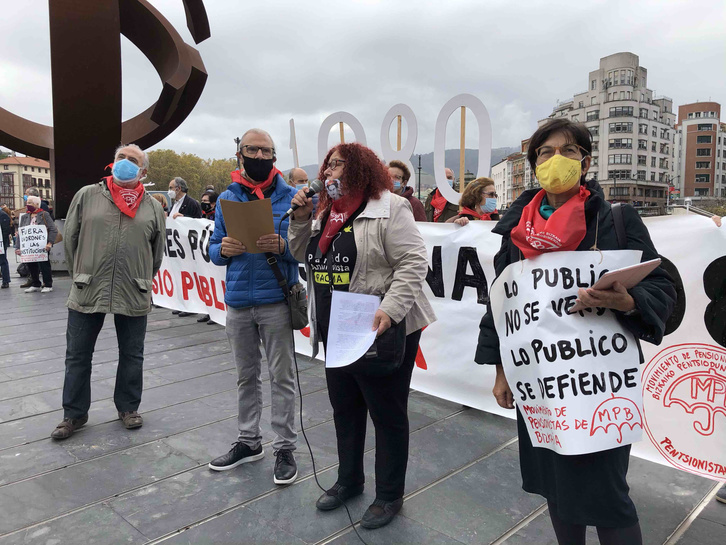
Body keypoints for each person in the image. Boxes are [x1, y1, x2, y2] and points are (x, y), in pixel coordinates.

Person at [476, 119, 676, 545]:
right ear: (534, 165)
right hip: (540, 382)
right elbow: (500, 304)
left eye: (568, 151)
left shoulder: (616, 220)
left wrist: (626, 301)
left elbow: (661, 286)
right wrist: (500, 371)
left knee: (607, 494)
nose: (556, 161)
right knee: (555, 485)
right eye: (545, 153)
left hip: (598, 382)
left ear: (585, 163)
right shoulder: (515, 232)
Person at [288, 142, 436, 529]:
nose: (328, 174)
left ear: (359, 170)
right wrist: (301, 218)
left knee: (386, 413)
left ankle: (388, 495)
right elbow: (299, 253)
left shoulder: (390, 207)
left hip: (380, 325)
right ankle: (349, 481)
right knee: (345, 408)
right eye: (327, 167)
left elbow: (414, 260)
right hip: (337, 328)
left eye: (337, 166)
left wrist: (390, 307)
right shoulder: (325, 213)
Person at [49, 144, 165, 440]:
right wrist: (81, 272)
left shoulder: (152, 206)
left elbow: (156, 254)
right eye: (121, 158)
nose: (125, 163)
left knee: (132, 354)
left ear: (143, 171)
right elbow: (71, 239)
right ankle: (73, 414)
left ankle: (128, 407)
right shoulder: (87, 195)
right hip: (88, 287)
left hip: (133, 288)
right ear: (112, 163)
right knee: (77, 355)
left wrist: (141, 276)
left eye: (133, 160)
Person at [207, 128, 300, 486]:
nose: (260, 156)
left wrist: (283, 246)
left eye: (267, 151)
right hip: (238, 303)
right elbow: (213, 248)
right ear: (240, 153)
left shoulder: (293, 198)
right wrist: (223, 250)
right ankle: (249, 441)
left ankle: (285, 447)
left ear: (275, 157)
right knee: (246, 376)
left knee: (282, 378)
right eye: (253, 149)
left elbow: (308, 250)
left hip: (276, 300)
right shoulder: (226, 198)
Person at [168, 177, 201, 317]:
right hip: (176, 246)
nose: (169, 190)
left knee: (189, 277)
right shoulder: (174, 203)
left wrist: (184, 218)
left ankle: (191, 305)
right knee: (179, 276)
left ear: (178, 188)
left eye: (170, 187)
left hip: (187, 247)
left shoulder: (192, 203)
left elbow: (198, 222)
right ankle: (181, 303)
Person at [15, 195, 57, 293]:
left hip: (42, 245)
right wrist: (18, 247)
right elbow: (21, 233)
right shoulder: (25, 216)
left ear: (36, 204)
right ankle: (35, 284)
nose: (27, 204)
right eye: (27, 202)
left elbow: (53, 229)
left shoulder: (44, 214)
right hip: (29, 246)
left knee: (44, 264)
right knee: (31, 264)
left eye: (30, 202)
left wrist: (50, 243)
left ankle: (48, 284)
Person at [198, 190, 219, 324]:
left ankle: (216, 313)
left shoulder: (218, 215)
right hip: (204, 253)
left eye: (206, 201)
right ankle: (208, 310)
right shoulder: (203, 215)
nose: (203, 204)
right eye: (202, 201)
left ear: (213, 203)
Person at [0, 205, 11, 288]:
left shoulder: (3, 215)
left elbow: (6, 230)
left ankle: (6, 281)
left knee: (3, 261)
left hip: (1, 243)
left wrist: (2, 242)